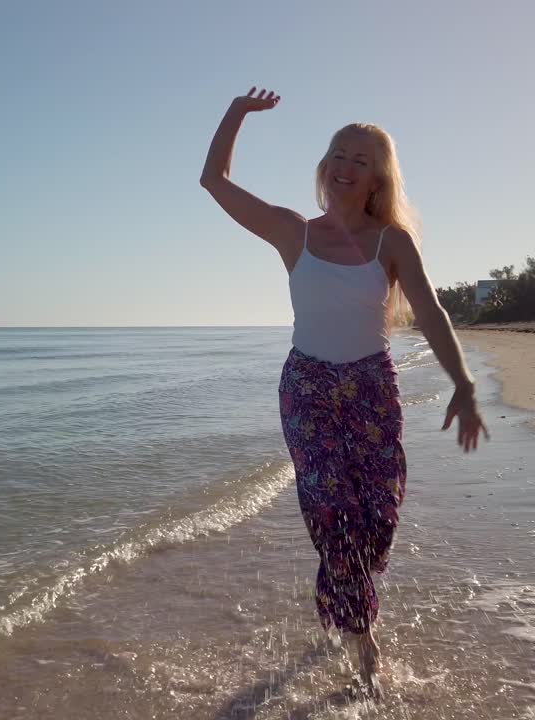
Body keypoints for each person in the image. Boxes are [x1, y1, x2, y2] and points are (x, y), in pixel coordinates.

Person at [200, 87, 489, 696]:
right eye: (338, 152)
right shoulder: (291, 231)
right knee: (333, 518)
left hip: (369, 386)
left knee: (376, 520)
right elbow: (214, 180)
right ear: (325, 164)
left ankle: (346, 606)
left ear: (378, 175)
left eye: (360, 158)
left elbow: (432, 313)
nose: (345, 165)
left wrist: (462, 383)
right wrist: (236, 112)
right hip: (306, 386)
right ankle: (364, 646)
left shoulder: (391, 242)